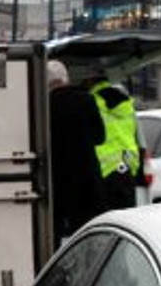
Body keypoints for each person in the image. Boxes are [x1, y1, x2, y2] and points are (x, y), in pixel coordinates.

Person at [46, 61, 106, 239]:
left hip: (56, 180)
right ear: (66, 78)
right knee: (87, 233)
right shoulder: (86, 99)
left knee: (53, 232)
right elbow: (99, 137)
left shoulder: (43, 105)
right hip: (86, 179)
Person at [87, 72, 144, 211]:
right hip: (127, 168)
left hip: (105, 171)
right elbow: (135, 135)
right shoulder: (127, 103)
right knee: (126, 218)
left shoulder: (93, 101)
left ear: (89, 81)